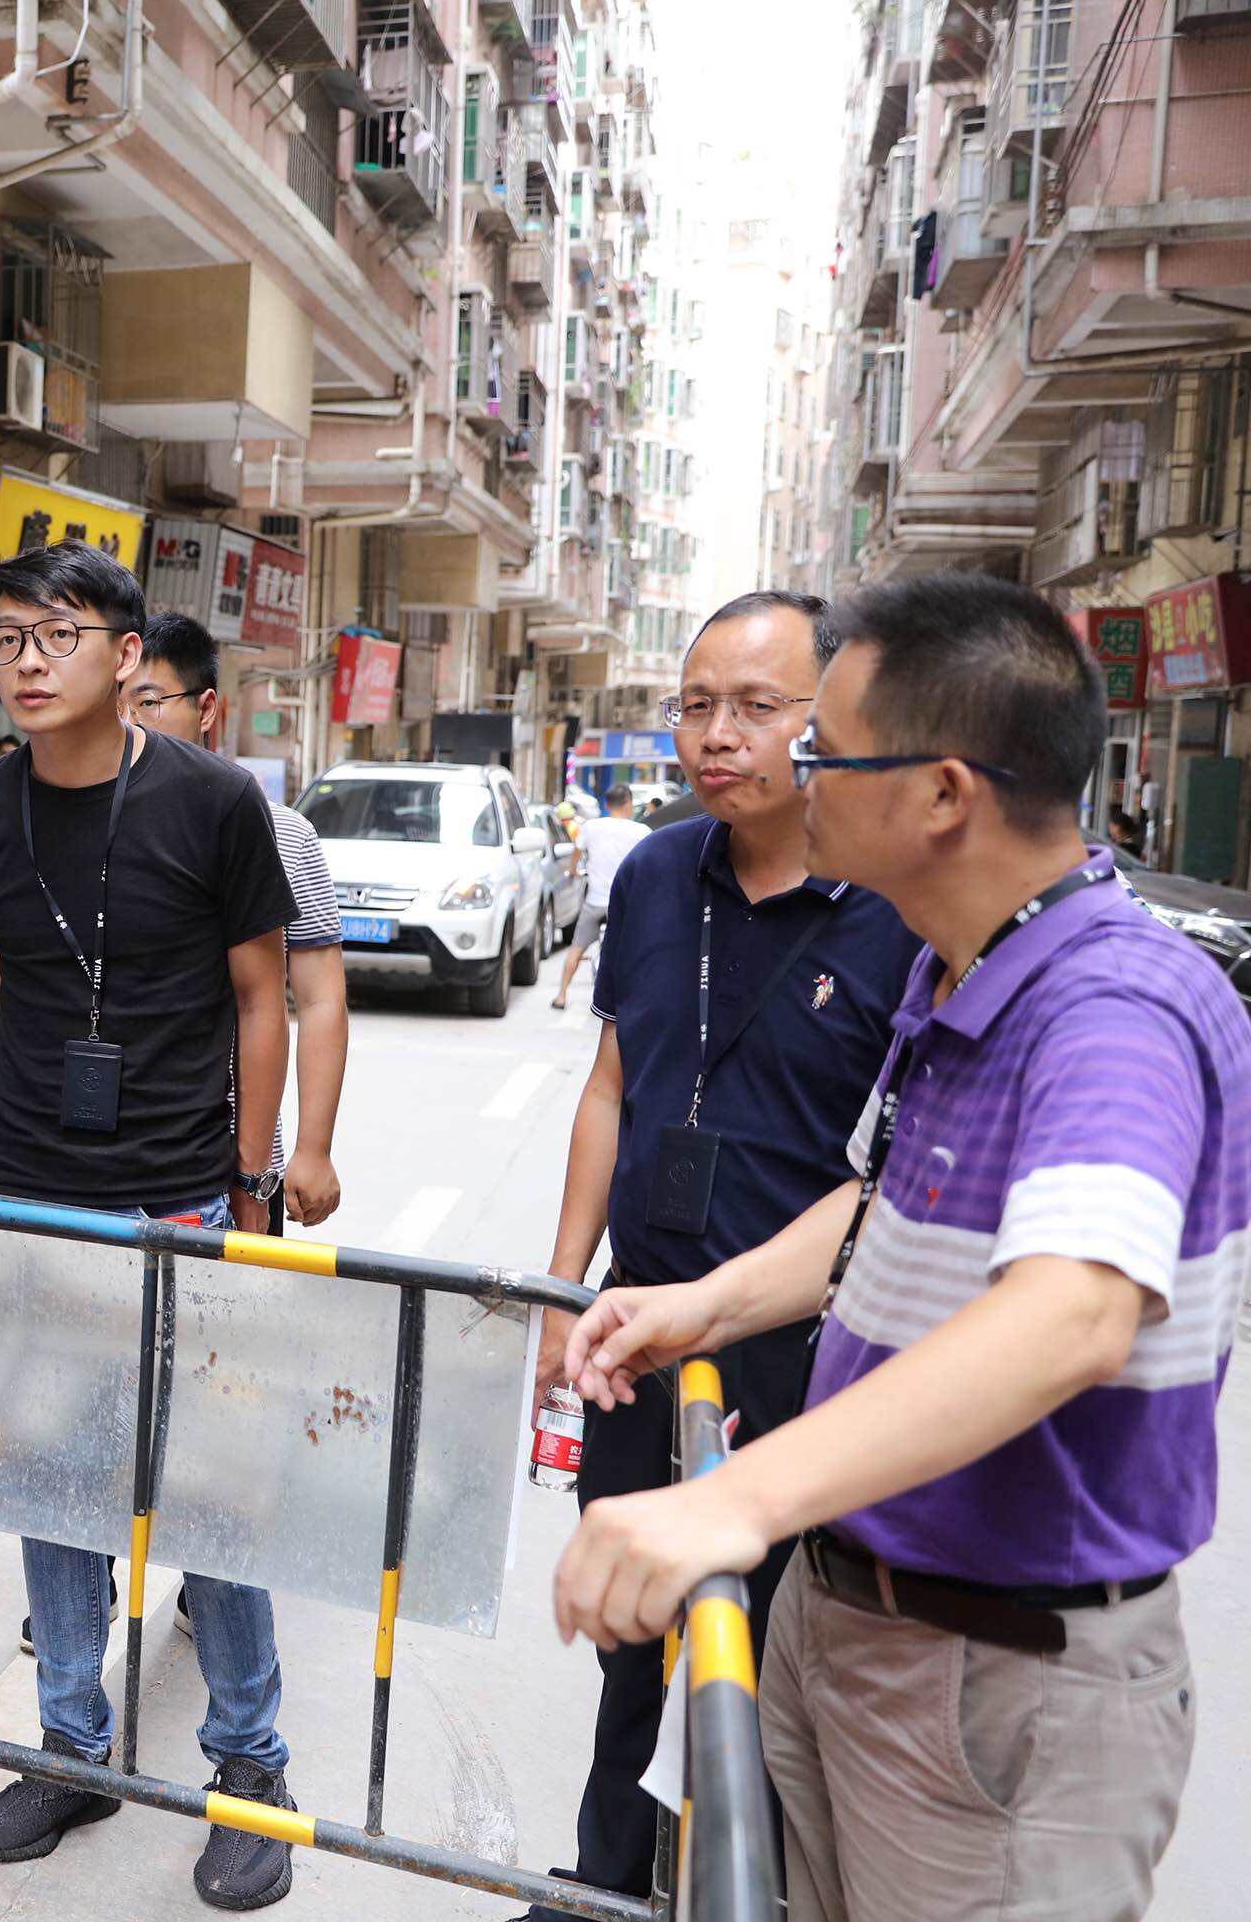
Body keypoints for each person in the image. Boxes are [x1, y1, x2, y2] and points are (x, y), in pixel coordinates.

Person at [555, 572, 1242, 1922]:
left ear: (939, 794)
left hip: (990, 1674)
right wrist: (703, 1304)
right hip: (848, 1617)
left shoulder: (1110, 1005)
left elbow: (1075, 1314)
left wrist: (733, 1502)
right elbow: (867, 1209)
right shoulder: (959, 970)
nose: (786, 767)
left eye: (820, 744)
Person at [516, 591, 922, 1921]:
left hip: (804, 1357)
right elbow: (609, 1090)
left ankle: (737, 1886)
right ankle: (605, 1874)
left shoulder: (892, 914)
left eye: (755, 705)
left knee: (763, 1665)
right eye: (695, 705)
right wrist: (560, 1291)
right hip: (642, 1338)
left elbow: (886, 1180)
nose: (716, 734)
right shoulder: (652, 874)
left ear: (834, 722)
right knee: (631, 1628)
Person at [0, 544, 300, 1913]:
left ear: (129, 657)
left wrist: (251, 1181)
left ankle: (250, 1768)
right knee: (48, 1480)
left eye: (60, 632)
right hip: (32, 1196)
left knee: (216, 1486)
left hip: (183, 1197)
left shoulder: (212, 805)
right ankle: (75, 1749)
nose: (28, 658)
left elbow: (262, 998)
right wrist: (18, 1155)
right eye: (9, 633)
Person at [127, 611, 346, 1230]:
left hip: (237, 1169)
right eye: (118, 703)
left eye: (149, 701)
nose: (130, 721)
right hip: (103, 1164)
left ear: (207, 708)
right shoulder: (84, 825)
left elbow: (320, 999)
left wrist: (312, 1148)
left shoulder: (283, 833)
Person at [551, 785, 651, 1012]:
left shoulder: (591, 827)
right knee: (634, 952)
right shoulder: (641, 831)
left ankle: (561, 996)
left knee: (576, 948)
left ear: (607, 805)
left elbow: (577, 855)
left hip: (595, 902)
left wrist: (574, 870)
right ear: (629, 804)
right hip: (625, 906)